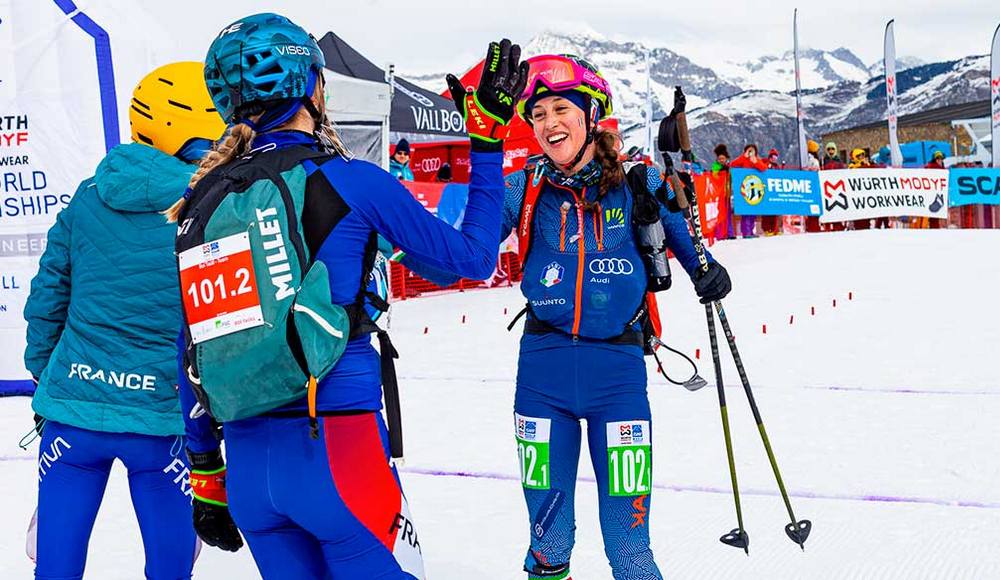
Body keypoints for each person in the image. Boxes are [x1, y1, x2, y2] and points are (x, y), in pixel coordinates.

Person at [167, 14, 526, 579]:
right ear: (312, 87)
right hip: (338, 448)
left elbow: (191, 345)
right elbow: (474, 258)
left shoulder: (202, 200)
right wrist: (484, 143)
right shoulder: (352, 179)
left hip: (248, 469)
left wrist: (207, 475)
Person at [411, 54, 731, 580]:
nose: (549, 123)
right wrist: (390, 241)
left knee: (630, 547)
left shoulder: (638, 180)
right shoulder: (525, 187)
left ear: (590, 115)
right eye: (537, 115)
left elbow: (694, 251)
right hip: (543, 375)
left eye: (561, 108)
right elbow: (459, 256)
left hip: (619, 376)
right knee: (548, 542)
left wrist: (708, 273)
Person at [22, 61, 226, 580]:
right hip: (165, 418)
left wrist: (49, 382)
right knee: (171, 565)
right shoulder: (219, 203)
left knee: (56, 565)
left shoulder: (91, 194)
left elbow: (47, 298)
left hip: (74, 411)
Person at [730, 143, 768, 238]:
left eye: (752, 150)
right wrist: (744, 156)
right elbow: (733, 164)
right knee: (746, 212)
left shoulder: (756, 160)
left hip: (755, 188)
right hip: (745, 188)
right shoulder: (743, 160)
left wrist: (755, 161)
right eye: (749, 150)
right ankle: (746, 232)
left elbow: (763, 168)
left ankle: (750, 231)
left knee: (753, 211)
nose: (751, 152)